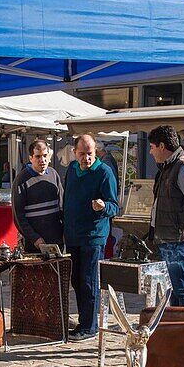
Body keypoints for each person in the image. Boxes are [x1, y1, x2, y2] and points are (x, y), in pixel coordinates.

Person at [146, 125, 184, 308]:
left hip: (177, 237)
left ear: (162, 146)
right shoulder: (167, 167)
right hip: (167, 236)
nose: (150, 152)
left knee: (180, 286)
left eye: (152, 147)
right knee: (171, 288)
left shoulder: (182, 168)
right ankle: (177, 327)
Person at [63, 134, 118, 340]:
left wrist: (103, 207)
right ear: (75, 153)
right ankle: (84, 321)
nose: (86, 158)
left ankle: (89, 326)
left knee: (89, 281)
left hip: (93, 235)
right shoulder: (72, 170)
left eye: (90, 154)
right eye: (82, 153)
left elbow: (114, 206)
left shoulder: (104, 172)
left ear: (96, 153)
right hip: (73, 234)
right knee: (77, 280)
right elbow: (67, 199)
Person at [12, 139, 64, 248]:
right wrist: (34, 238)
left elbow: (62, 206)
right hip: (34, 244)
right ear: (30, 158)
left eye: (45, 156)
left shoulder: (54, 175)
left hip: (56, 240)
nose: (42, 160)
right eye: (38, 156)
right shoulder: (21, 180)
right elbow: (18, 216)